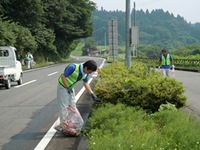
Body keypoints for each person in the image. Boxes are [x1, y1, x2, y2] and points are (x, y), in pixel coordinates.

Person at [55, 60, 100, 134]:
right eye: (89, 71)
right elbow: (63, 76)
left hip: (70, 87)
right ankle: (63, 126)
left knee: (72, 106)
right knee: (64, 105)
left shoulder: (85, 74)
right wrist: (67, 87)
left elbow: (86, 84)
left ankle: (71, 123)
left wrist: (92, 94)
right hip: (63, 86)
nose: (90, 73)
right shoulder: (73, 67)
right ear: (86, 67)